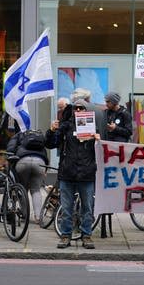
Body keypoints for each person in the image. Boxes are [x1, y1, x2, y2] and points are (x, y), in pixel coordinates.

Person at [46, 98, 98, 250]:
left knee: (87, 208)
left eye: (82, 108)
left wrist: (98, 141)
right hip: (68, 173)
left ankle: (86, 235)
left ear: (87, 111)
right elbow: (50, 144)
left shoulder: (93, 128)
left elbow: (102, 151)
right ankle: (65, 235)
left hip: (86, 174)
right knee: (66, 208)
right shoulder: (66, 126)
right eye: (76, 108)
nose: (79, 111)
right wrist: (52, 131)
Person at [7, 129, 48, 223]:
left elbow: (10, 148)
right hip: (40, 162)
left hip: (23, 161)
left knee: (23, 189)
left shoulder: (19, 134)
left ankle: (24, 215)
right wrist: (45, 168)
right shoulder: (39, 136)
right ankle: (38, 217)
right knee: (36, 190)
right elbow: (44, 151)